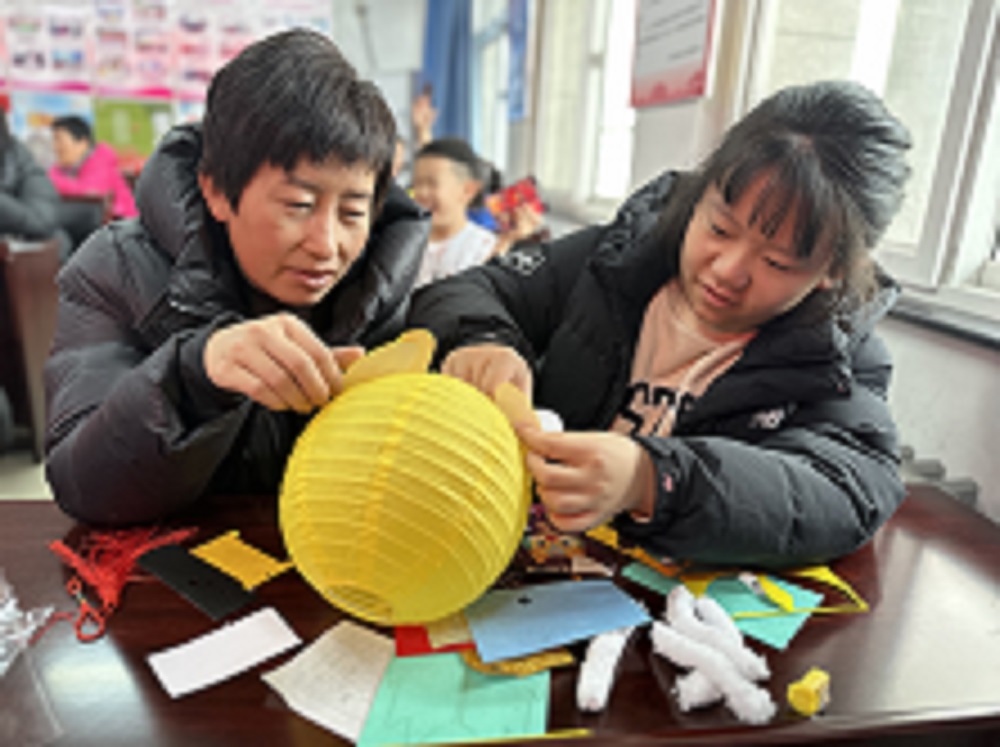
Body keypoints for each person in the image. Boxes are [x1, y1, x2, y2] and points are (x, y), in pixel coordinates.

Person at [409, 80, 913, 569]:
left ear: (832, 271)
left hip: (667, 607)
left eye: (777, 262)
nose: (727, 270)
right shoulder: (615, 260)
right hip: (513, 554)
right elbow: (464, 292)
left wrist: (652, 480)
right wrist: (481, 340)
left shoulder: (837, 357)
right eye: (719, 228)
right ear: (701, 192)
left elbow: (846, 489)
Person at [44, 29, 429, 525]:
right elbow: (83, 485)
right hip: (179, 559)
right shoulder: (115, 270)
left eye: (352, 213)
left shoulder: (380, 276)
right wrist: (195, 376)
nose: (327, 245)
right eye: (299, 205)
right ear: (217, 191)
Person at [411, 137, 541, 288]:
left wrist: (509, 241)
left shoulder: (485, 248)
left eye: (432, 183)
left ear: (468, 190)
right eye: (417, 184)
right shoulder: (405, 241)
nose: (421, 193)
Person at [0, 114, 67, 255]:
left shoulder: (16, 156)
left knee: (58, 240)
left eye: (58, 139)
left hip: (21, 245)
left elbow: (42, 219)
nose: (55, 146)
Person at [49, 115, 138, 219]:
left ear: (83, 143)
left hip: (121, 223)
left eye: (59, 140)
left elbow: (90, 194)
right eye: (54, 140)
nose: (54, 147)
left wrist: (48, 182)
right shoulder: (62, 168)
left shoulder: (102, 160)